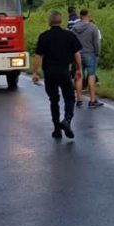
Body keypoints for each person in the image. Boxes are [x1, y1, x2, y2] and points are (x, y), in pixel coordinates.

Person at [32, 11, 83, 139]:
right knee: (69, 97)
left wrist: (35, 72)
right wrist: (79, 69)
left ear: (50, 21)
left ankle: (56, 129)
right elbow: (77, 54)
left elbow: (38, 55)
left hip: (49, 72)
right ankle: (67, 120)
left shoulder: (44, 36)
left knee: (54, 100)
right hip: (64, 71)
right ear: (61, 21)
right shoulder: (69, 35)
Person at [71, 9, 103, 108]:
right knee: (91, 76)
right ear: (88, 15)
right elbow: (96, 43)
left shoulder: (74, 28)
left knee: (79, 75)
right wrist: (97, 53)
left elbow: (72, 41)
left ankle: (79, 100)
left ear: (80, 16)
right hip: (90, 53)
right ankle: (92, 100)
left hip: (78, 54)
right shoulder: (93, 27)